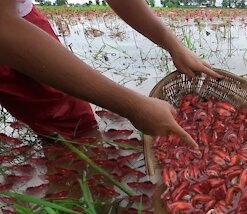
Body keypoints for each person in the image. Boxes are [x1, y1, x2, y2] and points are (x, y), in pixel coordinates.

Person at [0, 0, 222, 148]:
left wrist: (172, 43)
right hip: (6, 24)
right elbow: (4, 29)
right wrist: (134, 106)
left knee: (73, 125)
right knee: (73, 130)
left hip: (16, 13)